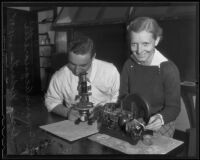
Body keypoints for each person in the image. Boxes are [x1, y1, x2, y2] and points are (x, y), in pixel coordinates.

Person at [120, 17, 181, 137]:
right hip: (134, 120)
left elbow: (174, 108)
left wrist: (160, 118)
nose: (139, 50)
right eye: (134, 44)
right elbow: (124, 96)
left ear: (156, 40)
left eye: (145, 44)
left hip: (160, 124)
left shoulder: (168, 69)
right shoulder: (129, 64)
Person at [45, 33, 120, 121]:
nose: (76, 71)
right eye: (72, 64)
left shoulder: (110, 71)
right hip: (76, 123)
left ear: (93, 57)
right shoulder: (59, 76)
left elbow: (118, 98)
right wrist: (67, 112)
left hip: (105, 120)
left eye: (83, 65)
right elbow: (51, 102)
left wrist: (104, 111)